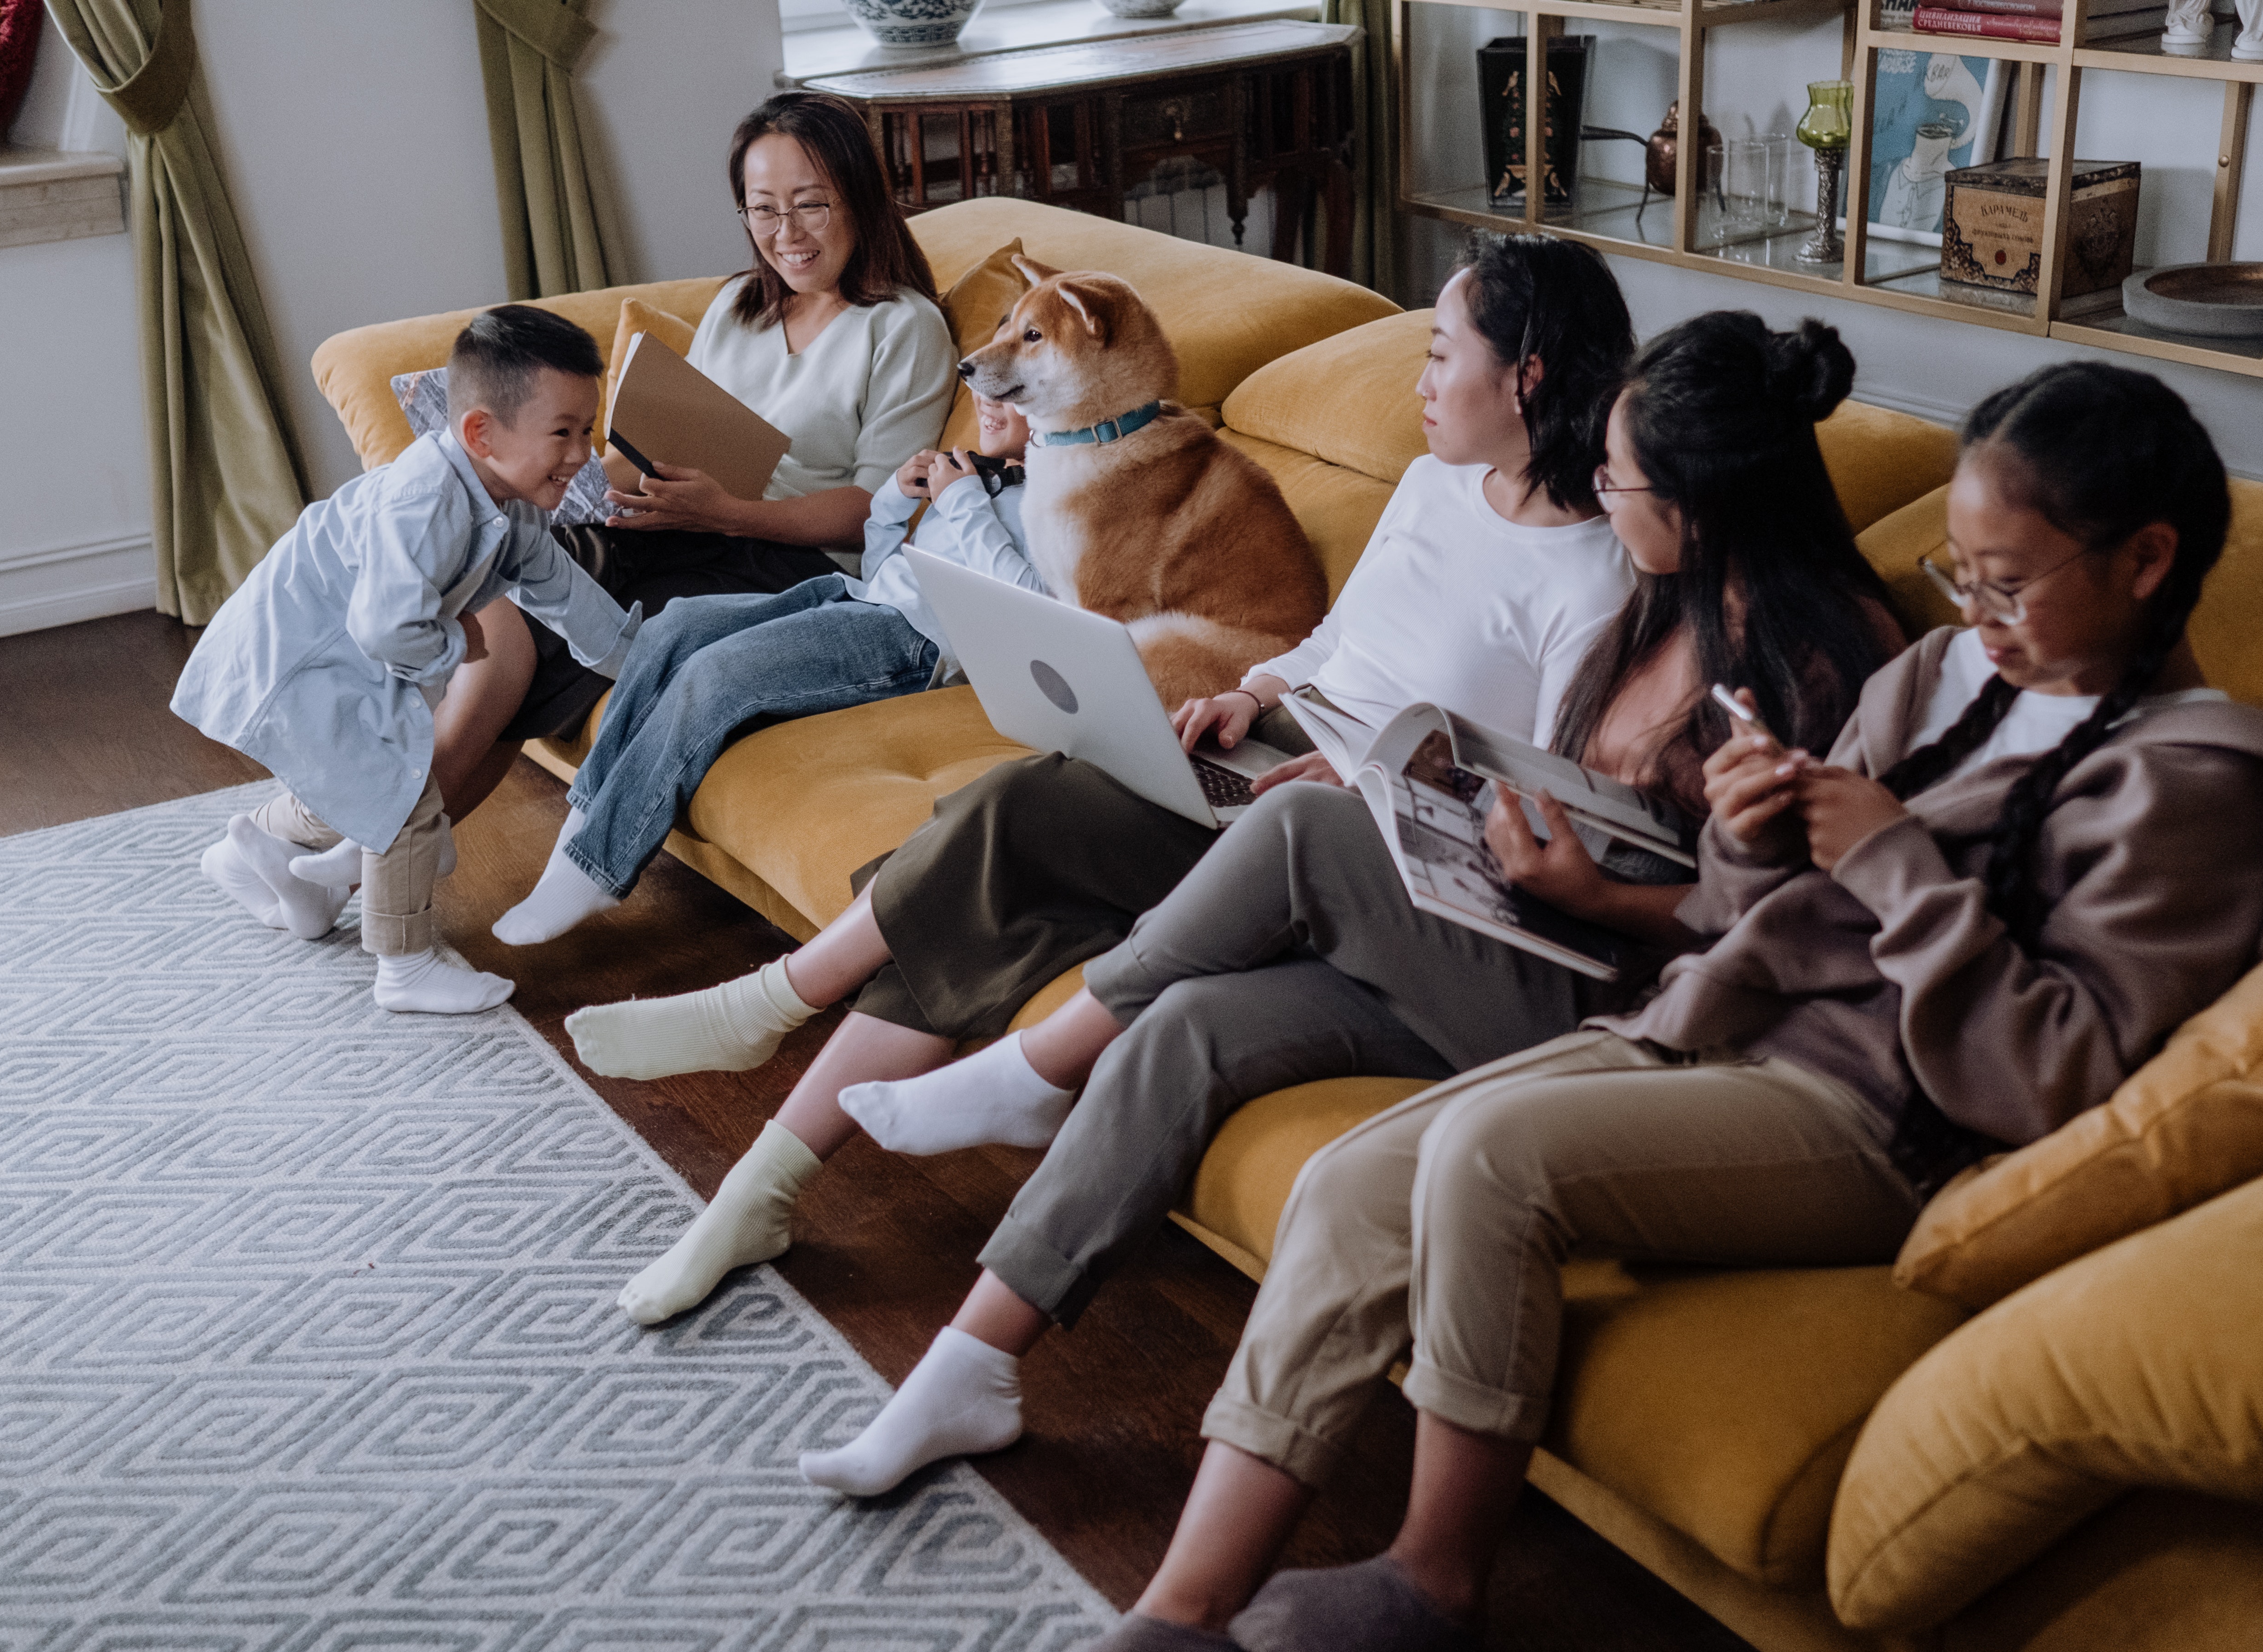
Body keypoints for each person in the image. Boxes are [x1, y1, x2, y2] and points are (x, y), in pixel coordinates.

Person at [969, 359, 2263, 1652]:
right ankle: (1179, 1619)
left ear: (2146, 558)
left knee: (1486, 1157)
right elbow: (1731, 923)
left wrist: (1885, 855)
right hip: (1714, 1027)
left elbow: (2047, 1072)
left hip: (1888, 1119)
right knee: (1356, 1172)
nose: (1973, 616)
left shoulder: (2200, 783)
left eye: (2008, 583)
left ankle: (1434, 1577)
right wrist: (1754, 828)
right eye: (1961, 574)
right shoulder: (1934, 673)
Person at [800, 312, 1906, 1498]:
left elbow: (1786, 935)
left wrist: (1587, 889)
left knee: (1304, 827)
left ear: (1701, 499)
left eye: (1620, 478)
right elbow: (1567, 778)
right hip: (1518, 930)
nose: (1596, 490)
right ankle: (970, 1363)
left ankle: (1039, 1064)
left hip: (1615, 1011)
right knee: (1190, 1025)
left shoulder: (1826, 665)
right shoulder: (1657, 602)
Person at [570, 233, 1643, 1326]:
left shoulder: (1598, 567)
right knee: (1006, 854)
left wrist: (1360, 770)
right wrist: (1253, 687)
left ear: (1529, 375)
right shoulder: (1431, 483)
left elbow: (1536, 788)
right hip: (1272, 751)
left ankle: (768, 1036)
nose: (1417, 382)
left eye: (1439, 353)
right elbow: (1336, 643)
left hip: (1357, 839)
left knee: (1011, 832)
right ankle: (760, 1184)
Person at [427, 90, 959, 831]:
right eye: (763, 209)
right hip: (680, 527)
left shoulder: (903, 327)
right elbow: (659, 443)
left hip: (796, 566)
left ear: (860, 198)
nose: (787, 233)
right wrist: (566, 487)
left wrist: (729, 513)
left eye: (810, 204)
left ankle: (374, 856)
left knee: (534, 616)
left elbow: (875, 507)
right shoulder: (739, 305)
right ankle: (381, 853)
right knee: (507, 578)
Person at [174, 306, 668, 1015]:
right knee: (402, 794)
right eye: (562, 432)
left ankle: (256, 848)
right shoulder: (424, 500)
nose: (583, 453)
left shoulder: (513, 505)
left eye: (586, 430)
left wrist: (642, 660)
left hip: (341, 658)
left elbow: (567, 597)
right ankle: (403, 966)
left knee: (362, 777)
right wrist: (456, 642)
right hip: (298, 660)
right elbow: (383, 625)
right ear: (480, 433)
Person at [490, 387, 1042, 944]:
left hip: (915, 643)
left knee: (716, 675)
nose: (986, 403)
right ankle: (583, 826)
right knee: (672, 626)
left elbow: (1035, 606)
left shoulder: (1059, 494)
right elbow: (884, 570)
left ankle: (597, 867)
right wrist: (896, 503)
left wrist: (965, 501)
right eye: (981, 385)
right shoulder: (973, 472)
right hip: (854, 595)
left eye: (1009, 390)